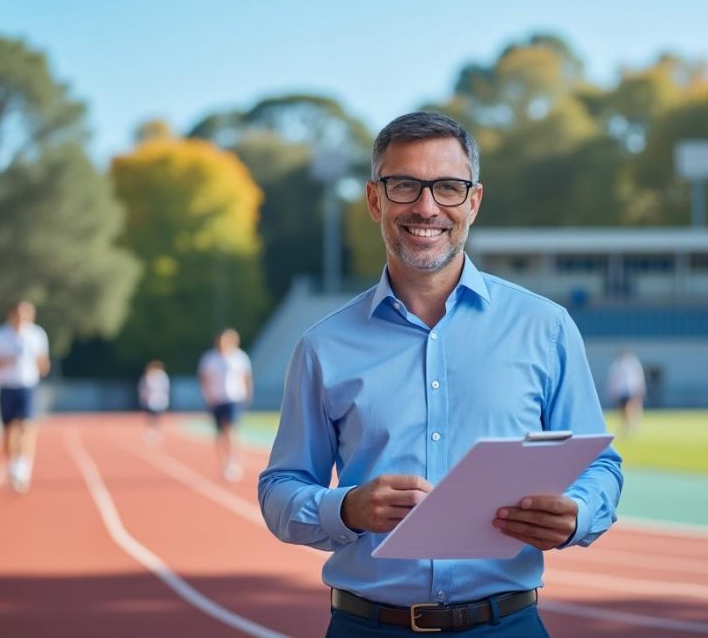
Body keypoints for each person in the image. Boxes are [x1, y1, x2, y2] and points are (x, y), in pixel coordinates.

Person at [258, 111, 622, 637]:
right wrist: (348, 507)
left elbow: (600, 466)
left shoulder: (545, 328)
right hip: (368, 626)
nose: (426, 207)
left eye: (447, 187)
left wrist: (579, 513)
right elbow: (281, 488)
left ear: (473, 201)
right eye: (404, 185)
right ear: (374, 200)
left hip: (507, 624)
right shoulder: (323, 346)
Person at [0, 300, 49, 493]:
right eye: (19, 314)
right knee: (9, 430)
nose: (22, 318)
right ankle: (11, 465)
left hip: (27, 386)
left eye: (27, 315)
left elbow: (44, 365)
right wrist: (5, 361)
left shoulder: (37, 335)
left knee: (27, 426)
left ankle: (23, 467)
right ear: (11, 315)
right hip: (6, 386)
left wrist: (41, 365)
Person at [198, 328, 252, 481]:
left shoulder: (240, 357)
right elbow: (203, 379)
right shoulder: (209, 358)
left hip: (234, 397)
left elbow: (247, 378)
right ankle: (223, 463)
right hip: (216, 399)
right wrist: (206, 396)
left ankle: (233, 461)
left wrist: (248, 395)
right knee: (220, 433)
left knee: (231, 429)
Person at [605, 349, 646, 435]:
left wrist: (640, 389)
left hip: (630, 390)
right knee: (621, 410)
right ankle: (624, 426)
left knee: (630, 408)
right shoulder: (616, 364)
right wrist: (612, 391)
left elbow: (638, 377)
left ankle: (631, 426)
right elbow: (613, 379)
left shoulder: (633, 363)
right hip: (621, 391)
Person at [138, 360, 170, 443]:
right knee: (150, 415)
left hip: (160, 398)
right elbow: (144, 388)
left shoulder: (162, 376)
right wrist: (144, 396)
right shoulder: (149, 376)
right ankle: (151, 430)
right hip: (150, 399)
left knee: (158, 415)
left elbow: (166, 388)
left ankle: (156, 430)